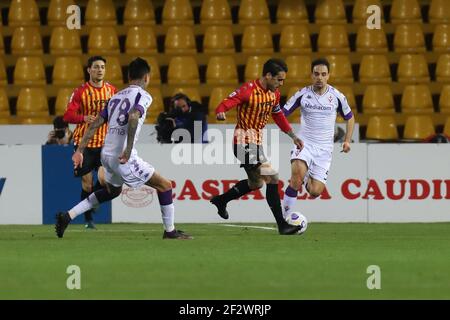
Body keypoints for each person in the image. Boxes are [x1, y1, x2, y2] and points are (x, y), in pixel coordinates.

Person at [55, 57, 193, 240]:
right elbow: (134, 116)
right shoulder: (143, 96)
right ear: (147, 78)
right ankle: (170, 232)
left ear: (129, 76)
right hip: (123, 157)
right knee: (165, 185)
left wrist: (80, 150)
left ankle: (68, 216)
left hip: (106, 155)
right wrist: (128, 150)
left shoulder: (115, 97)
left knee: (113, 191)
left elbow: (96, 123)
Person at [209, 58, 304, 235]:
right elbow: (226, 102)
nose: (281, 83)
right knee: (273, 177)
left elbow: (278, 115)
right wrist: (221, 111)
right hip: (242, 142)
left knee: (256, 183)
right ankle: (282, 225)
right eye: (279, 79)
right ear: (268, 75)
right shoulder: (248, 90)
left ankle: (221, 200)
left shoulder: (274, 93)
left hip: (256, 144)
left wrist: (292, 135)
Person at [281, 58, 355, 218]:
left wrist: (347, 140)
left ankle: (306, 175)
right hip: (304, 144)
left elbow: (350, 117)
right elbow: (281, 114)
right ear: (311, 75)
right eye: (316, 74)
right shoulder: (302, 94)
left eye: (323, 74)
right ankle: (284, 219)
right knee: (295, 179)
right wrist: (292, 135)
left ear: (328, 76)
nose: (319, 77)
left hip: (324, 150)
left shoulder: (337, 97)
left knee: (315, 191)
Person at [63, 56, 117, 229]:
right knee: (87, 184)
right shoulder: (80, 92)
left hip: (104, 143)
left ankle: (92, 201)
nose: (100, 70)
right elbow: (68, 116)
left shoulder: (112, 90)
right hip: (83, 144)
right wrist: (83, 118)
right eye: (96, 67)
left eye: (102, 67)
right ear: (89, 70)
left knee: (103, 180)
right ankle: (88, 219)